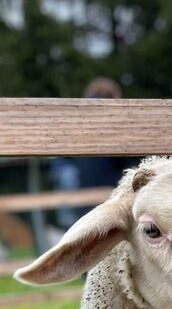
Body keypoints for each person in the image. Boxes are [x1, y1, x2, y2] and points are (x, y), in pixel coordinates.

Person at [51, 78, 130, 229]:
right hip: (108, 193)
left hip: (79, 196)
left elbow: (62, 155)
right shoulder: (116, 121)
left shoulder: (77, 117)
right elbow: (121, 163)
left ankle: (66, 222)